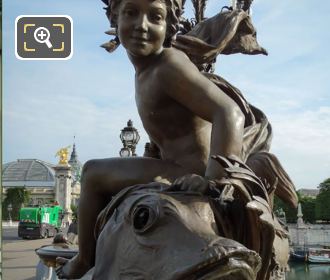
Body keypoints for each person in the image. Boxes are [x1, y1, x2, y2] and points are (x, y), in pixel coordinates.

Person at [56, 0, 247, 278]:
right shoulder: (146, 72)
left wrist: (214, 182)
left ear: (168, 26)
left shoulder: (167, 65)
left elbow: (229, 112)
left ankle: (85, 260)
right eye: (131, 13)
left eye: (155, 17)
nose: (142, 26)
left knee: (92, 173)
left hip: (192, 174)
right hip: (176, 168)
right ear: (114, 18)